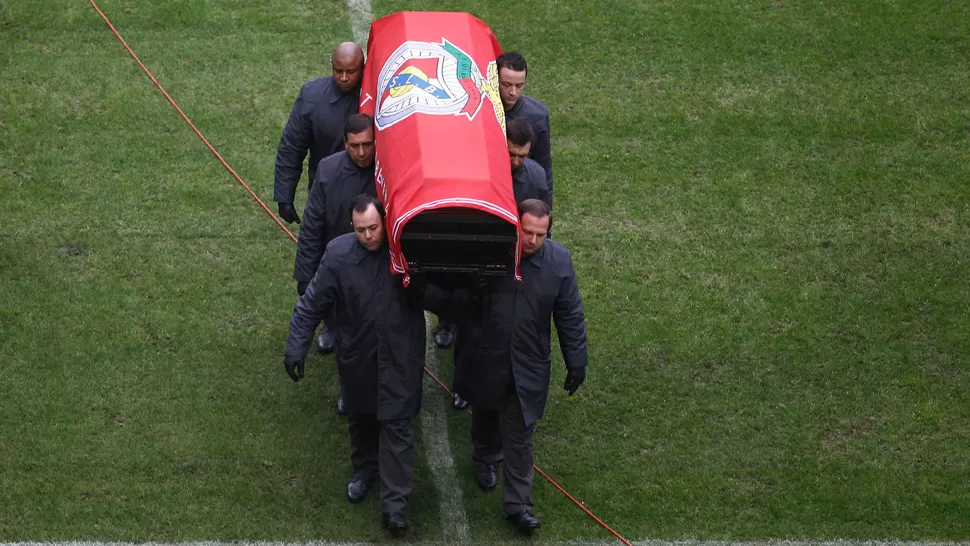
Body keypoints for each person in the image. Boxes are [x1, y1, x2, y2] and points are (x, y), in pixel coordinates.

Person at [421, 199, 588, 534]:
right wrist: (475, 288)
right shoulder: (490, 253)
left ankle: (518, 506)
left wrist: (577, 359)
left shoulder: (559, 262)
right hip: (488, 356)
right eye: (527, 232)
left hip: (528, 364)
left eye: (540, 234)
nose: (533, 241)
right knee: (485, 413)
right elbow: (453, 298)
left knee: (521, 434)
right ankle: (484, 457)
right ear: (515, 226)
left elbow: (569, 314)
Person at [283, 196, 426, 535]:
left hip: (401, 358)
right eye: (361, 229)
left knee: (397, 428)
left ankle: (395, 507)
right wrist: (295, 347)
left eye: (374, 228)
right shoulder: (337, 255)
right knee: (362, 419)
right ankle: (364, 471)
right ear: (352, 227)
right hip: (357, 355)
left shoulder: (406, 249)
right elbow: (312, 302)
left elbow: (439, 291)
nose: (368, 235)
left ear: (384, 223)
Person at [293, 114, 378, 376]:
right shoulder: (328, 171)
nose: (362, 152)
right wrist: (305, 274)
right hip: (340, 257)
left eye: (367, 145)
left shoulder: (389, 168)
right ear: (344, 144)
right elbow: (312, 226)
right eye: (355, 146)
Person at [273, 42, 364, 224]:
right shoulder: (311, 97)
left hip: (365, 193)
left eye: (351, 72)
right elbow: (292, 147)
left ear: (363, 68)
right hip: (325, 192)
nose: (344, 78)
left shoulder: (377, 96)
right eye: (338, 71)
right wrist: (285, 195)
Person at [497, 52, 554, 204]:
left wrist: (545, 212)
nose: (513, 92)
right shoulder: (480, 111)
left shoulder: (538, 115)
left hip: (521, 191)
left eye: (519, 85)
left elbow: (544, 167)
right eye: (507, 84)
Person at [507, 119, 551, 207]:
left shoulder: (537, 178)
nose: (515, 162)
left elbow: (542, 217)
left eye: (522, 156)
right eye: (511, 154)